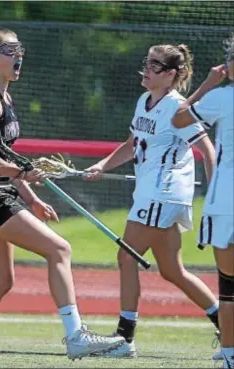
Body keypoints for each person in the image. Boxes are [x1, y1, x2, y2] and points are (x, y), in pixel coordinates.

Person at [0, 8, 125, 365]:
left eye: (20, 51)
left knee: (0, 280)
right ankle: (75, 336)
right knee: (59, 250)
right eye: (12, 51)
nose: (19, 57)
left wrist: (32, 197)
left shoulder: (4, 96)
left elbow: (4, 154)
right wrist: (24, 176)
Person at [84, 44, 220, 358]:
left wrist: (212, 198)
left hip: (164, 193)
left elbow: (208, 152)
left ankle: (123, 339)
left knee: (126, 257)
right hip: (151, 194)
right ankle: (227, 325)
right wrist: (102, 166)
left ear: (171, 75)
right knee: (172, 271)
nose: (147, 69)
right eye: (147, 62)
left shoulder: (177, 108)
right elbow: (132, 144)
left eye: (156, 65)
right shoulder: (144, 102)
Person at [172, 34, 234, 368]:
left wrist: (208, 84)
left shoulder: (222, 96)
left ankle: (229, 356)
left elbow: (179, 117)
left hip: (226, 200)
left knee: (229, 285)